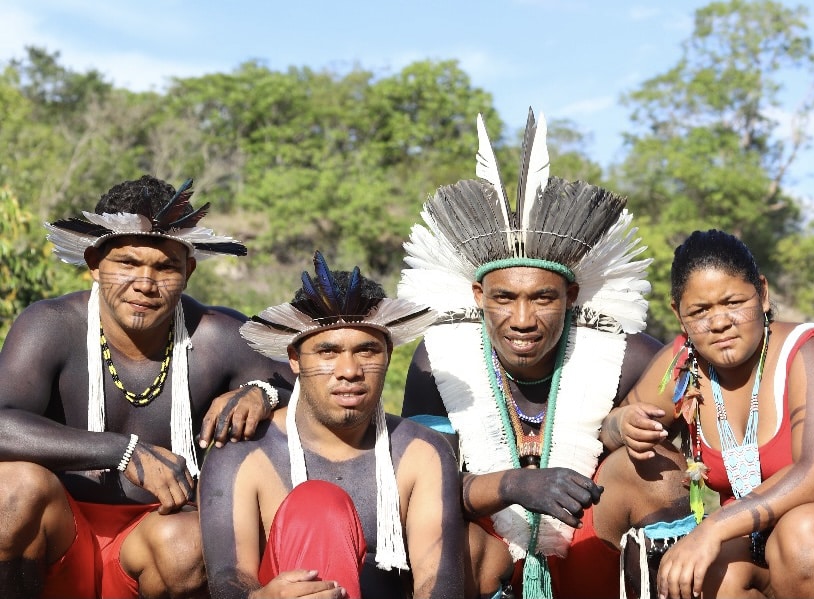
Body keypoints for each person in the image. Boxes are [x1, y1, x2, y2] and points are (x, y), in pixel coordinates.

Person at [397, 110, 693, 599]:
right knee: (447, 530)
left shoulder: (626, 355)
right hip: (490, 551)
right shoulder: (439, 361)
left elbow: (695, 448)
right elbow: (423, 485)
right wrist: (514, 485)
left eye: (543, 297)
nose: (522, 319)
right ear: (477, 295)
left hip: (591, 546)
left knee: (657, 469)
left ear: (572, 295)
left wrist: (623, 430)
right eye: (503, 298)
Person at [0, 175, 293, 599]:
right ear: (94, 263)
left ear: (188, 271)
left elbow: (314, 394)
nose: (145, 283)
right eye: (128, 264)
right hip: (59, 538)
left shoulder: (217, 336)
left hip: (157, 544)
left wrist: (262, 394)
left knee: (190, 541)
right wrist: (122, 450)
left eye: (165, 267)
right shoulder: (49, 326)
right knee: (10, 490)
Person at [199, 251, 465, 599]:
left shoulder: (422, 453)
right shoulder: (244, 453)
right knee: (317, 507)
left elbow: (438, 584)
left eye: (367, 351)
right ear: (294, 359)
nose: (350, 370)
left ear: (388, 355)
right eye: (328, 352)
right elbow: (227, 582)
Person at [620, 229, 814, 599]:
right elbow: (611, 428)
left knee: (807, 537)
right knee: (697, 576)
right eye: (699, 311)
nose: (718, 323)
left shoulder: (813, 350)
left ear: (762, 293)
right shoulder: (683, 364)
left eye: (732, 302)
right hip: (754, 544)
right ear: (678, 315)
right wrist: (622, 424)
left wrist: (711, 529)